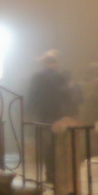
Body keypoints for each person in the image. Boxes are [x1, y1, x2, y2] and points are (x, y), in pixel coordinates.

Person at [27, 51, 75, 183]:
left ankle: (50, 174)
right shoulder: (60, 77)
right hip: (57, 115)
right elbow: (67, 97)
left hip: (44, 115)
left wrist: (29, 113)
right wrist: (71, 114)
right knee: (57, 145)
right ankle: (57, 173)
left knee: (48, 146)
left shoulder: (37, 77)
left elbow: (32, 96)